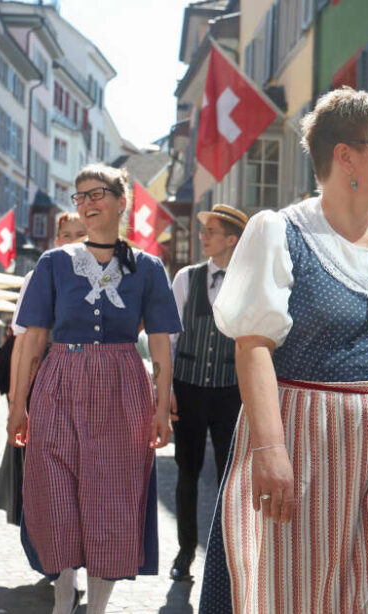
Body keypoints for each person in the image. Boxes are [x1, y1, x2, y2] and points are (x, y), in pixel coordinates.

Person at [198, 87, 368, 614]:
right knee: (295, 590)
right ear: (345, 155)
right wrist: (269, 450)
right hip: (308, 440)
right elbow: (253, 345)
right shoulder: (280, 233)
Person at [9, 165, 181, 614]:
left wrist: (162, 407)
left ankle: (98, 608)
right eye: (79, 196)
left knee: (114, 498)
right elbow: (33, 338)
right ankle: (63, 599)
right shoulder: (54, 263)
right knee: (56, 491)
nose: (86, 203)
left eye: (97, 194)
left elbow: (160, 340)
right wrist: (16, 404)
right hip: (59, 380)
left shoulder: (148, 268)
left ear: (122, 201)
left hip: (123, 383)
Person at [0, 212, 88, 527]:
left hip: (86, 383)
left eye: (80, 235)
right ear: (57, 240)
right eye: (68, 235)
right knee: (41, 470)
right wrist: (18, 403)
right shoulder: (40, 275)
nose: (74, 242)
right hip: (42, 380)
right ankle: (45, 544)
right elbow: (23, 342)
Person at [167, 203, 248, 582]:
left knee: (231, 475)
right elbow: (167, 338)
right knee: (187, 470)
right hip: (188, 389)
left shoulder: (249, 280)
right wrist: (164, 388)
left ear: (232, 239)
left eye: (211, 231)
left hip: (232, 391)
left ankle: (226, 551)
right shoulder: (187, 277)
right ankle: (185, 551)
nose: (203, 237)